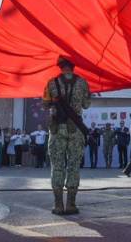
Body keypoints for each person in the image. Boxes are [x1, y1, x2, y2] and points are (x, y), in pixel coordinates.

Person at [43, 57, 91, 215]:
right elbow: (86, 105)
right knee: (73, 166)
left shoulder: (51, 82)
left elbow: (45, 104)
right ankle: (71, 204)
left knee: (57, 167)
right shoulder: (83, 83)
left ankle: (58, 205)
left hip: (57, 129)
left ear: (60, 67)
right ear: (73, 67)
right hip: (76, 129)